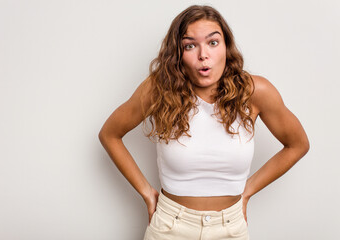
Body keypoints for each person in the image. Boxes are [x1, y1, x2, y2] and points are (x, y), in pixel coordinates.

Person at [99, 5, 309, 240]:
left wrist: (247, 191)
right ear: (178, 54)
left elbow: (298, 144)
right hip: (170, 228)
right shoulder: (159, 89)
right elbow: (110, 134)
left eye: (212, 42)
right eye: (190, 45)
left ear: (226, 47)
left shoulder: (255, 91)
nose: (203, 55)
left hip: (230, 229)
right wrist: (147, 193)